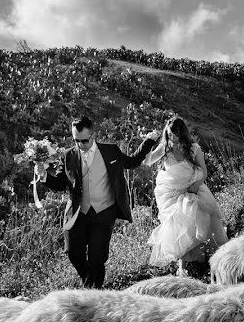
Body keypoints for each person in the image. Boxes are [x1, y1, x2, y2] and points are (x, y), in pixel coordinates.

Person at [34, 116, 160, 289]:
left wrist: (149, 141)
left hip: (104, 212)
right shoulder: (68, 156)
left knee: (98, 258)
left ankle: (96, 291)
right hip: (78, 213)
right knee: (73, 253)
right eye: (76, 140)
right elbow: (61, 184)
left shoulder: (110, 151)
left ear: (93, 136)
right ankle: (89, 283)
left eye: (84, 140)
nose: (80, 145)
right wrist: (44, 176)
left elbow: (132, 161)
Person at [142, 117, 228, 275]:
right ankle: (182, 268)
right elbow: (147, 161)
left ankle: (208, 261)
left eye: (176, 135)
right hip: (171, 194)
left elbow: (203, 171)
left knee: (197, 220)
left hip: (192, 189)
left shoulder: (193, 148)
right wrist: (148, 142)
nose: (173, 138)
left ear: (182, 133)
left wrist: (195, 186)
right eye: (170, 134)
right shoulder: (164, 148)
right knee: (178, 226)